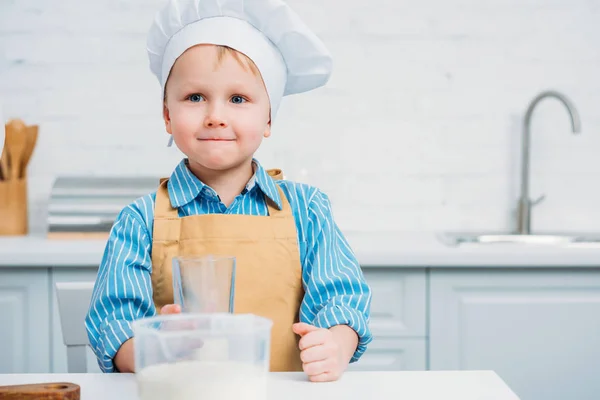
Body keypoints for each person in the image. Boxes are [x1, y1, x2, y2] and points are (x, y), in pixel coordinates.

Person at [85, 0, 372, 382]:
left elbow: (342, 299)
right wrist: (151, 348)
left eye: (238, 99)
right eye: (195, 97)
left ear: (268, 118)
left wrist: (335, 344)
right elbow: (114, 323)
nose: (216, 115)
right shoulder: (140, 220)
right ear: (168, 116)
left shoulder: (308, 210)